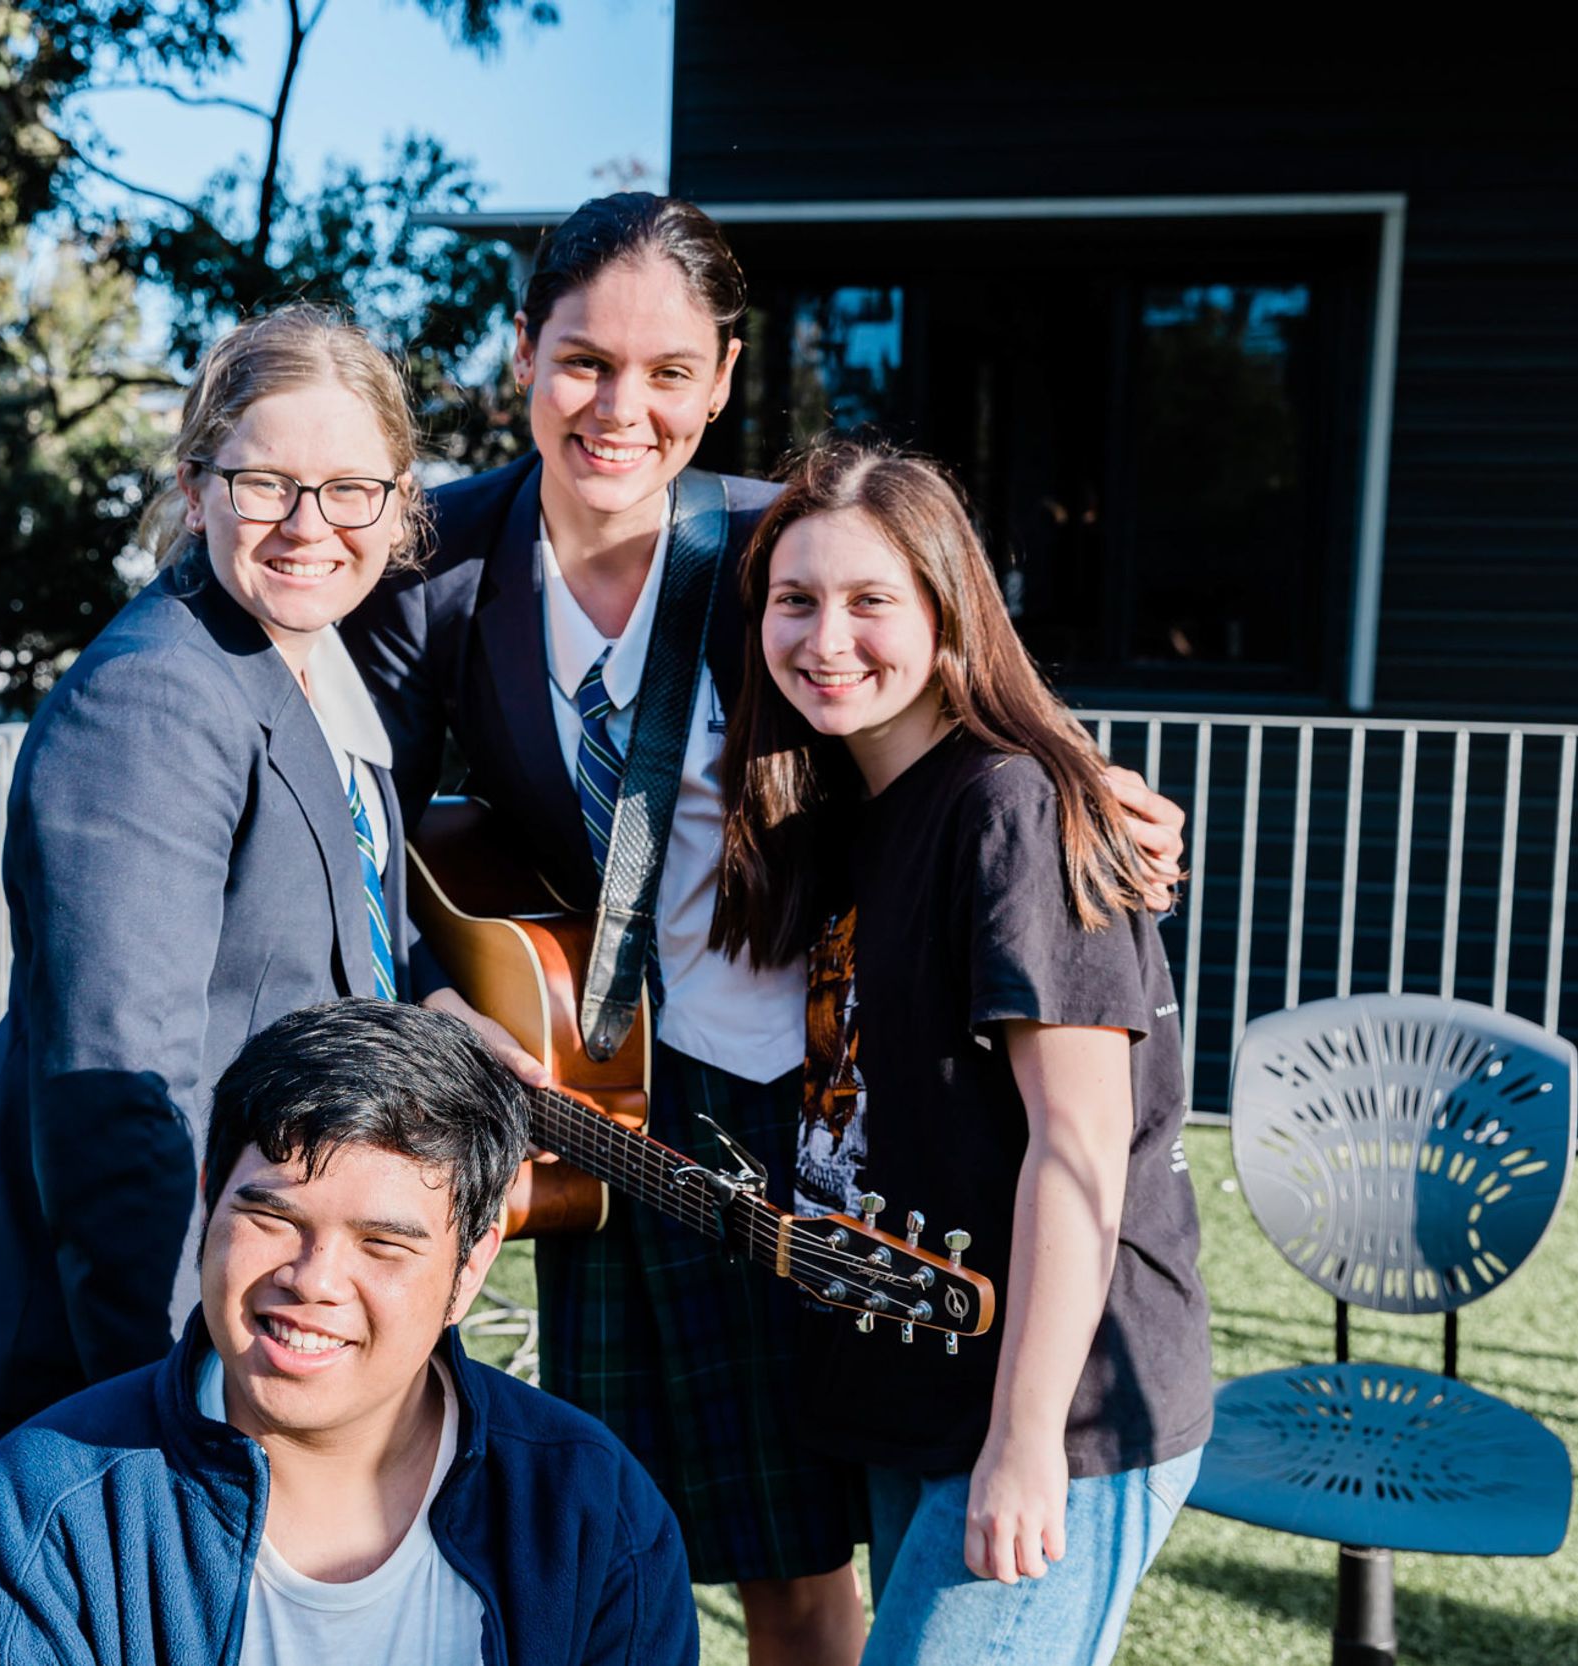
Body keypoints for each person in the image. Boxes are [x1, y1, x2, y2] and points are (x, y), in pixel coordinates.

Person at [343, 191, 1188, 1665]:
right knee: (615, 1527)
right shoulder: (437, 567)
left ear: (724, 377)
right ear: (524, 352)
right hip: (609, 1105)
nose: (622, 409)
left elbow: (945, 680)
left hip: (820, 1111)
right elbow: (355, 826)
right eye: (584, 362)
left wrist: (1075, 771)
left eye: (670, 371)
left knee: (800, 1557)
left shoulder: (778, 547)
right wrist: (428, 992)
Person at [0, 306, 430, 1665]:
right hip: (105, 1340)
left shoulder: (317, 666)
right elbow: (120, 1100)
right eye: (264, 482)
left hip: (239, 1307)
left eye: (349, 488)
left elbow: (341, 938)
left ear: (399, 503)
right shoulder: (154, 699)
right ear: (195, 485)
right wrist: (186, 1402)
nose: (308, 524)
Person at [709, 439, 1214, 1666]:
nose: (826, 638)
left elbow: (1079, 1144)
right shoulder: (848, 810)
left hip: (1059, 1407)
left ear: (948, 615)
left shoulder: (1011, 807)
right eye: (795, 600)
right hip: (917, 1379)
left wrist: (1026, 1438)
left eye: (870, 600)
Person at [0, 998, 699, 1666]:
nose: (314, 1280)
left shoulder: (592, 1512)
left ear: (470, 1267)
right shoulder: (49, 1507)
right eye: (273, 1217)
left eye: (382, 1244)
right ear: (209, 1202)